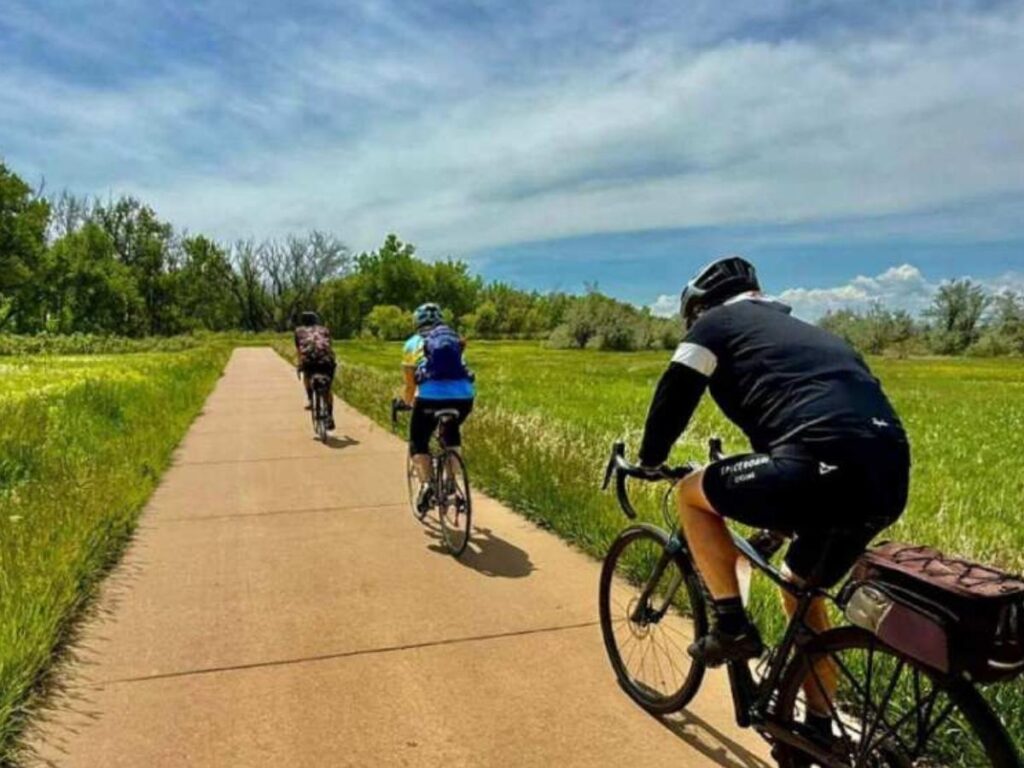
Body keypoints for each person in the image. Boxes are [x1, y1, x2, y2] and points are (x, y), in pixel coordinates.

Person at [637, 255, 910, 736]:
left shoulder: (716, 323)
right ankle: (819, 726)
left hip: (817, 463)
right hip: (888, 474)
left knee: (689, 495)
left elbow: (675, 392)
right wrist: (778, 526)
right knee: (798, 586)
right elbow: (817, 426)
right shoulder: (816, 335)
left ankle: (731, 626)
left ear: (699, 306)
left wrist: (651, 459)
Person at [401, 303, 475, 511]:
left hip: (430, 400)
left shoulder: (412, 344)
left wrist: (407, 403)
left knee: (418, 439)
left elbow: (410, 385)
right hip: (464, 398)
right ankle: (452, 479)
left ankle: (426, 485)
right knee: (451, 429)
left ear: (417, 322)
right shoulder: (454, 340)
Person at [294, 311, 336, 431]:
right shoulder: (325, 330)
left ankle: (311, 399)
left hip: (309, 361)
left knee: (307, 376)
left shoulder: (299, 331)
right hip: (326, 360)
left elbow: (299, 350)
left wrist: (299, 364)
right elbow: (329, 346)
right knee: (328, 387)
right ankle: (330, 415)